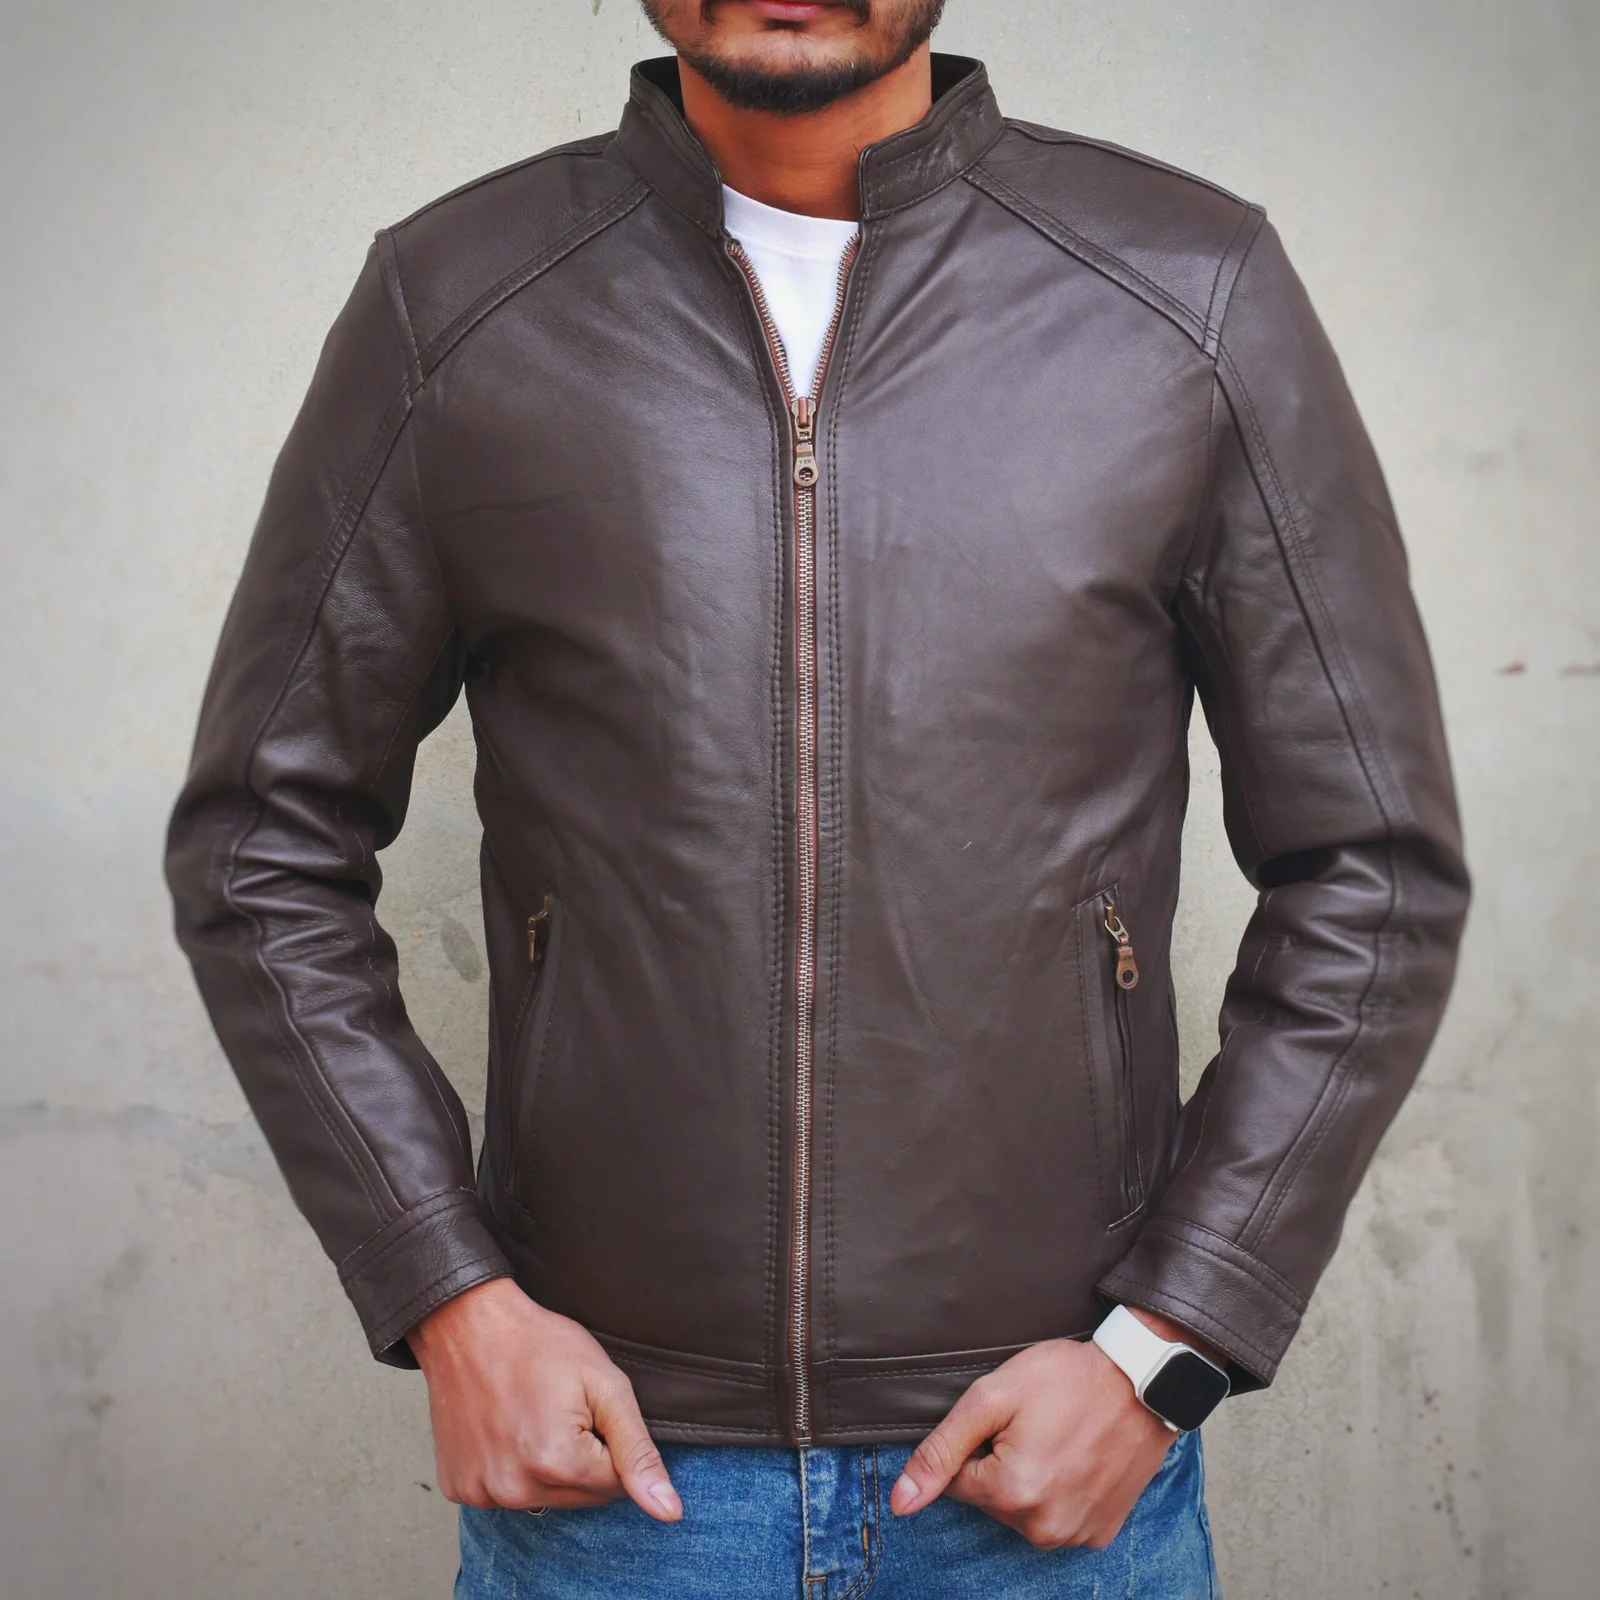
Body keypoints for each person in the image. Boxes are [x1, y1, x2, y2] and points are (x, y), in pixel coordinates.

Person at [165, 1, 1470, 1594]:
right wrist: (448, 1298)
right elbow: (259, 842)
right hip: (621, 1492)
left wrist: (1164, 1352)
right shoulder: (456, 304)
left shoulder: (1186, 295)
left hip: (1043, 1480)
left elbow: (1374, 867)